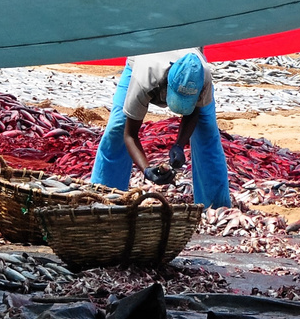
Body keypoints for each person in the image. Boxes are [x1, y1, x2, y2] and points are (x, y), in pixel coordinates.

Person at [90, 48, 231, 208]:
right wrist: (147, 169)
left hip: (188, 54)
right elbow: (130, 135)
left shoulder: (202, 76)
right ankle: (105, 197)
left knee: (207, 131)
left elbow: (194, 112)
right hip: (144, 56)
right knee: (117, 127)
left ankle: (216, 207)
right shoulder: (144, 80)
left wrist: (179, 145)